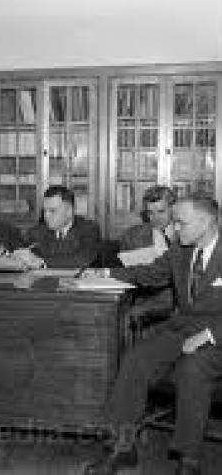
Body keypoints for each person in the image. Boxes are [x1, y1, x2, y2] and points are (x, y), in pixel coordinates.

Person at [83, 193, 222, 475]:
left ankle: (189, 459)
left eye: (180, 223)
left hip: (217, 335)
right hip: (182, 328)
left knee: (193, 368)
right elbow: (148, 273)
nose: (174, 230)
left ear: (206, 222)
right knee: (136, 359)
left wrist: (210, 335)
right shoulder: (180, 250)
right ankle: (122, 448)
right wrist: (104, 273)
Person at [119, 185, 177, 323]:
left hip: (178, 297)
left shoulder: (185, 234)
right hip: (145, 296)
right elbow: (128, 274)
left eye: (161, 211)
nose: (155, 218)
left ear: (173, 209)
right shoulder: (131, 236)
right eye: (150, 213)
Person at [25, 185, 101, 268]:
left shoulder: (89, 229)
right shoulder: (37, 231)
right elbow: (29, 257)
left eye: (52, 211)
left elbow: (82, 259)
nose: (46, 215)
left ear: (69, 211)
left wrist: (42, 262)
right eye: (45, 210)